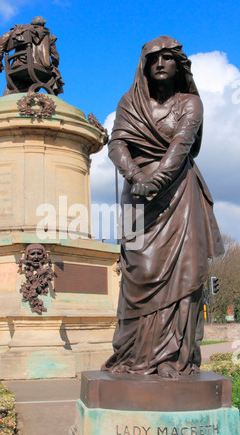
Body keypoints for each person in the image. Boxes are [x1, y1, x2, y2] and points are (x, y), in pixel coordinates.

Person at [101, 36, 224, 378]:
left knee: (182, 275)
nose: (160, 63)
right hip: (137, 196)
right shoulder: (130, 102)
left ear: (178, 65)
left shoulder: (190, 104)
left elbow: (181, 146)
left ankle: (174, 356)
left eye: (167, 58)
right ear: (143, 65)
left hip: (179, 196)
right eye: (153, 58)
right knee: (137, 273)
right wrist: (135, 174)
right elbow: (117, 142)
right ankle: (132, 354)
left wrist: (154, 182)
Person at [0, 16, 64, 95]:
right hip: (42, 68)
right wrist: (55, 67)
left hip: (18, 65)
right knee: (54, 79)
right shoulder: (49, 35)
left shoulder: (21, 29)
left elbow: (4, 38)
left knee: (14, 85)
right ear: (43, 25)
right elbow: (55, 56)